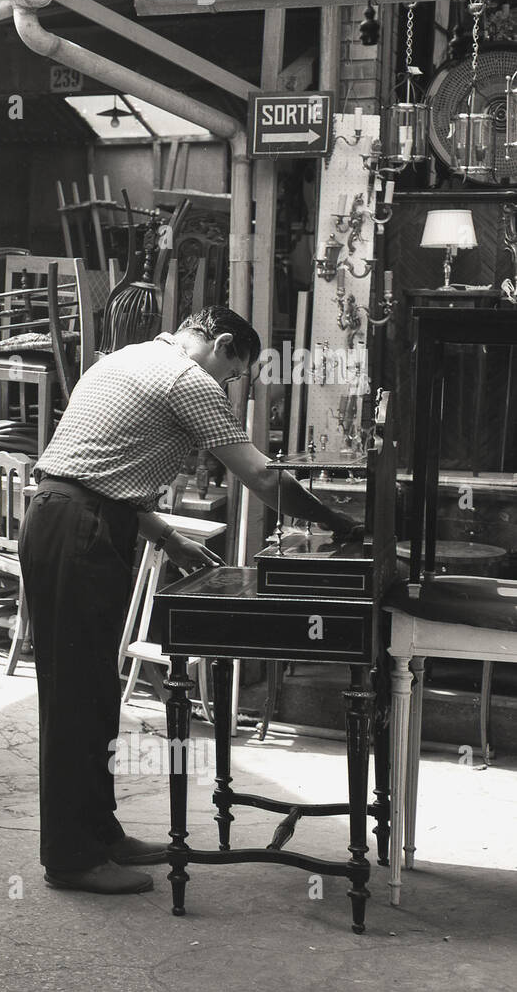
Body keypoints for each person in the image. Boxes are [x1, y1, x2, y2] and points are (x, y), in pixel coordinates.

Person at [19, 305, 360, 895]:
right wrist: (340, 522)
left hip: (69, 516)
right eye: (234, 373)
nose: (229, 386)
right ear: (222, 344)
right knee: (76, 694)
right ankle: (71, 858)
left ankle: (99, 833)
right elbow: (264, 478)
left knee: (96, 691)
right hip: (79, 526)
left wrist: (169, 538)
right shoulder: (188, 379)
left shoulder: (125, 359)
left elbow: (100, 469)